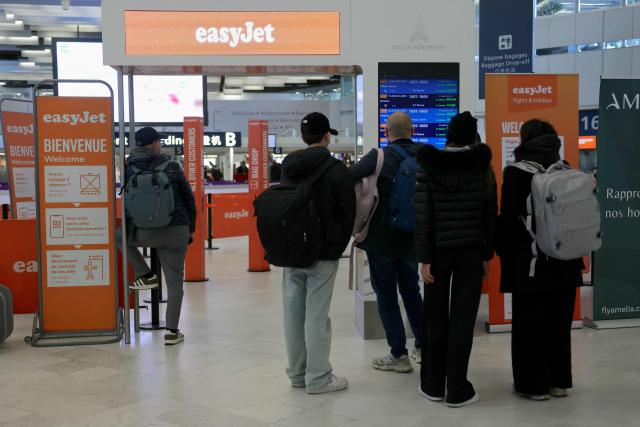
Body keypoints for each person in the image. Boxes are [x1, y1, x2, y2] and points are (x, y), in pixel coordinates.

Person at [415, 111, 497, 407]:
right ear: (474, 137)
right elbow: (490, 215)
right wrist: (487, 255)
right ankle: (458, 388)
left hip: (437, 253)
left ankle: (433, 385)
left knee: (434, 316)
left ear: (448, 134)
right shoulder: (482, 167)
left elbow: (423, 215)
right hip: (472, 252)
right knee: (463, 319)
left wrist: (424, 258)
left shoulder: (427, 165)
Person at [497, 119, 583, 401]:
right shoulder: (567, 170)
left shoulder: (516, 173)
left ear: (524, 140)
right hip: (566, 262)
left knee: (528, 325)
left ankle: (532, 386)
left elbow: (508, 221)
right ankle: (559, 382)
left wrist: (502, 252)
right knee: (559, 325)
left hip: (530, 264)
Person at [280, 112, 356, 394]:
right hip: (323, 253)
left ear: (302, 137)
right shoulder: (336, 170)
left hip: (290, 251)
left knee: (292, 314)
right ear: (326, 137)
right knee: (316, 316)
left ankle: (298, 374)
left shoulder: (288, 166)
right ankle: (319, 378)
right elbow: (348, 213)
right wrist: (336, 247)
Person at [349, 111, 423, 373]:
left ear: (387, 132)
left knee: (387, 296)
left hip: (381, 240)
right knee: (412, 291)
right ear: (411, 130)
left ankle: (398, 355)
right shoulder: (425, 154)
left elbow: (349, 177)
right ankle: (423, 347)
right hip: (412, 238)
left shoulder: (378, 156)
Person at [116, 127, 196, 346]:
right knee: (175, 282)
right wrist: (190, 229)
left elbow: (127, 203)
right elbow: (189, 200)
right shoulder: (171, 166)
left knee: (118, 237)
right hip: (175, 231)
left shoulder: (128, 168)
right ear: (154, 145)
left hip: (145, 233)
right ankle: (171, 332)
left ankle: (145, 273)